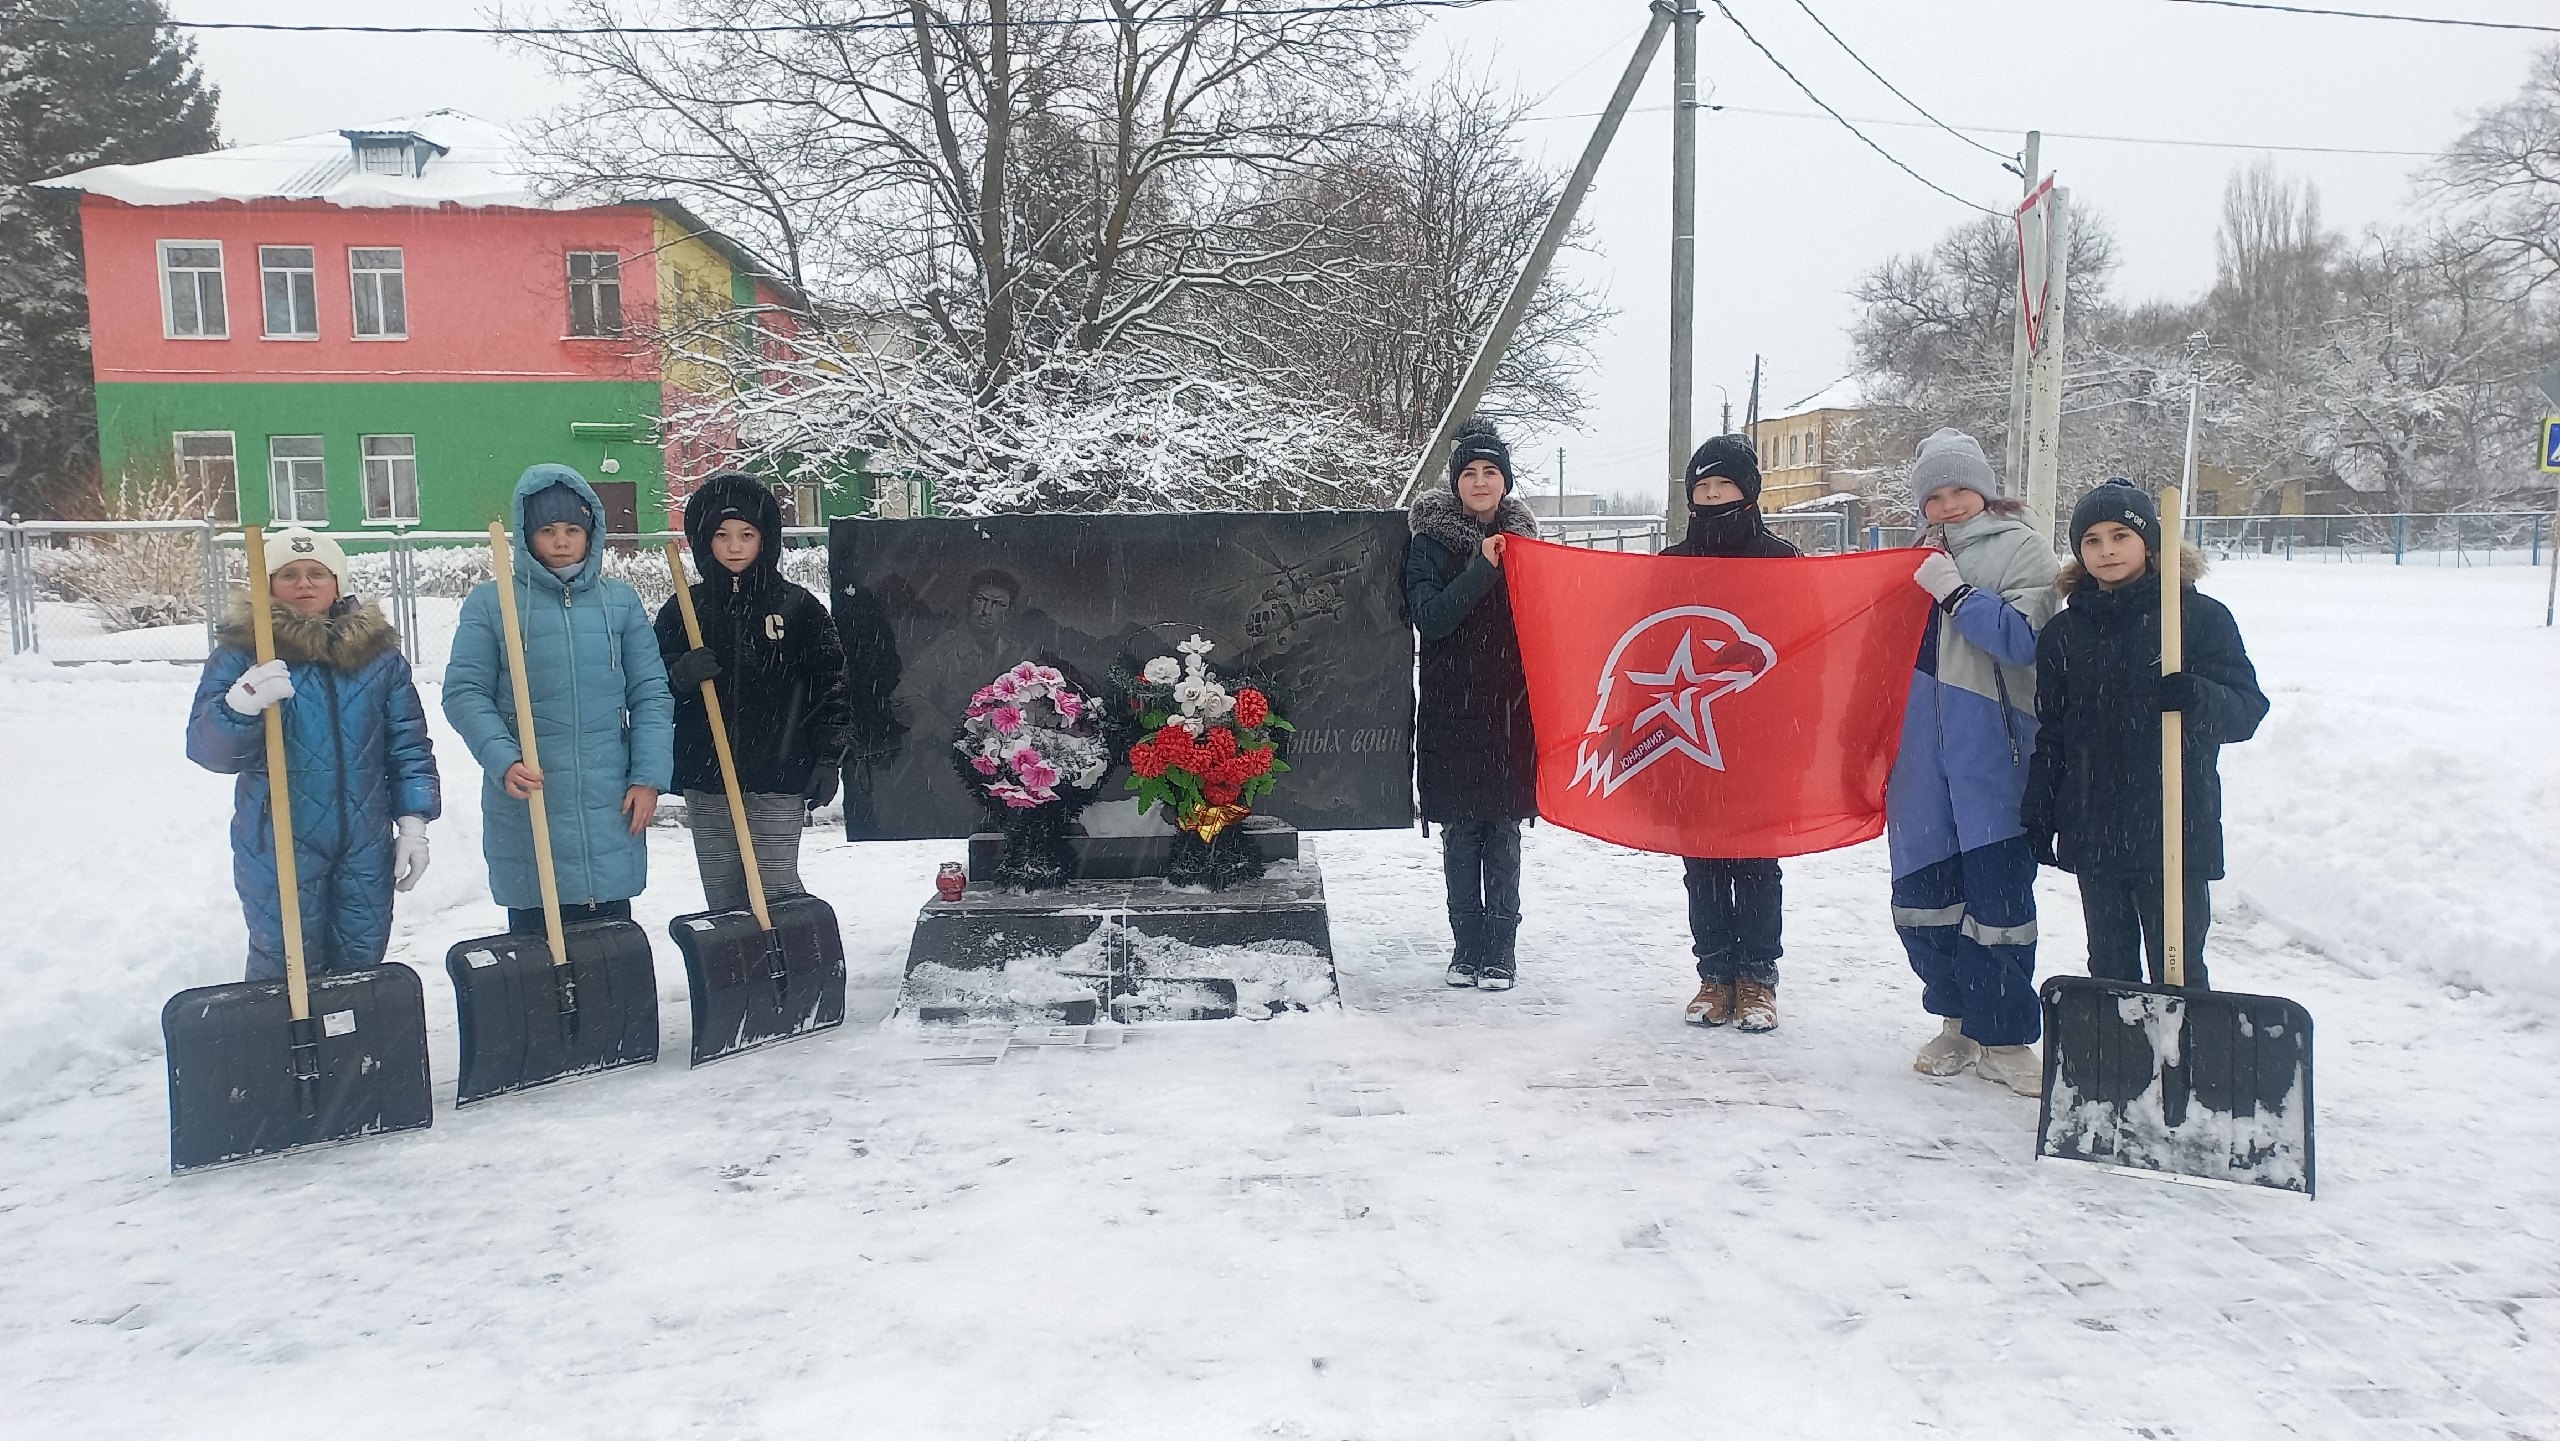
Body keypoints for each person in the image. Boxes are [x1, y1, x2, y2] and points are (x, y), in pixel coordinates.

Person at [2022, 477, 2269, 991]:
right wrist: (2040, 811)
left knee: (2178, 970)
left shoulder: (2196, 618)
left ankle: (2183, 1065)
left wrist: (2200, 697)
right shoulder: (2065, 635)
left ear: (2150, 543)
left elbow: (2246, 710)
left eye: (2120, 536)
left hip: (2173, 827)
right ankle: (2120, 1064)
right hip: (2095, 830)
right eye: (2092, 540)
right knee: (2109, 967)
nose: (2107, 550)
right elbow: (2054, 735)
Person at [1887, 429, 2060, 1096]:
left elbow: (2022, 642)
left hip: (1995, 749)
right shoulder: (1904, 558)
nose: (1950, 504)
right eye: (1935, 495)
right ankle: (1955, 1019)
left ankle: (2007, 1035)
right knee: (1925, 901)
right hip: (1917, 765)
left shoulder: (2021, 549)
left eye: (1960, 489)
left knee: (1999, 901)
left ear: (1984, 490)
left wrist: (1957, 594)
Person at [185, 526, 439, 980]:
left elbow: (408, 746)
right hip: (278, 838)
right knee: (285, 962)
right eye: (289, 574)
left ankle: (354, 1048)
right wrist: (239, 705)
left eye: (316, 573)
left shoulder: (377, 658)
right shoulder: (244, 654)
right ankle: (285, 1050)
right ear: (269, 586)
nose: (304, 584)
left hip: (364, 840)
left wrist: (414, 823)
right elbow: (208, 751)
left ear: (337, 583)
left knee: (361, 957)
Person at [444, 465, 675, 935]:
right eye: (548, 530)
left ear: (592, 532)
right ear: (528, 536)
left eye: (573, 529)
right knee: (537, 937)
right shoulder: (493, 604)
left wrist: (649, 777)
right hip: (530, 793)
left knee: (608, 941)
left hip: (608, 796)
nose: (562, 541)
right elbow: (465, 692)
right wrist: (503, 759)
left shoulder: (620, 603)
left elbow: (651, 694)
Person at [655, 472, 850, 911]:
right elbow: (648, 689)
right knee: (723, 892)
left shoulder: (797, 608)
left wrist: (827, 758)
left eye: (747, 534)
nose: (735, 546)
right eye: (722, 535)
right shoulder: (685, 609)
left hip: (779, 772)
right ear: (704, 541)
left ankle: (789, 968)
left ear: (766, 539)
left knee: (777, 887)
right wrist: (679, 675)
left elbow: (830, 685)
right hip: (708, 778)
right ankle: (734, 970)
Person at [1663, 435, 1798, 1032]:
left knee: (1757, 861)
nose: (1713, 497)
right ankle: (1714, 974)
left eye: (1725, 485)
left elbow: (1807, 644)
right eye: (1703, 487)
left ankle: (1758, 979)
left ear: (1749, 492)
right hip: (1691, 737)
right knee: (1704, 861)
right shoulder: (1669, 566)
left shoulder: (1781, 560)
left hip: (1761, 739)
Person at [1404, 417, 1542, 991]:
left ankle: (1501, 951)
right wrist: (1484, 567)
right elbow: (1431, 619)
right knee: (1461, 830)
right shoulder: (1428, 543)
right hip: (1452, 708)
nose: (1481, 482)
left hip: (1512, 709)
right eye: (1470, 473)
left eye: (1491, 472)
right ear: (1455, 482)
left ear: (1505, 482)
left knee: (1503, 830)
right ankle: (1467, 947)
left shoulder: (1531, 546)